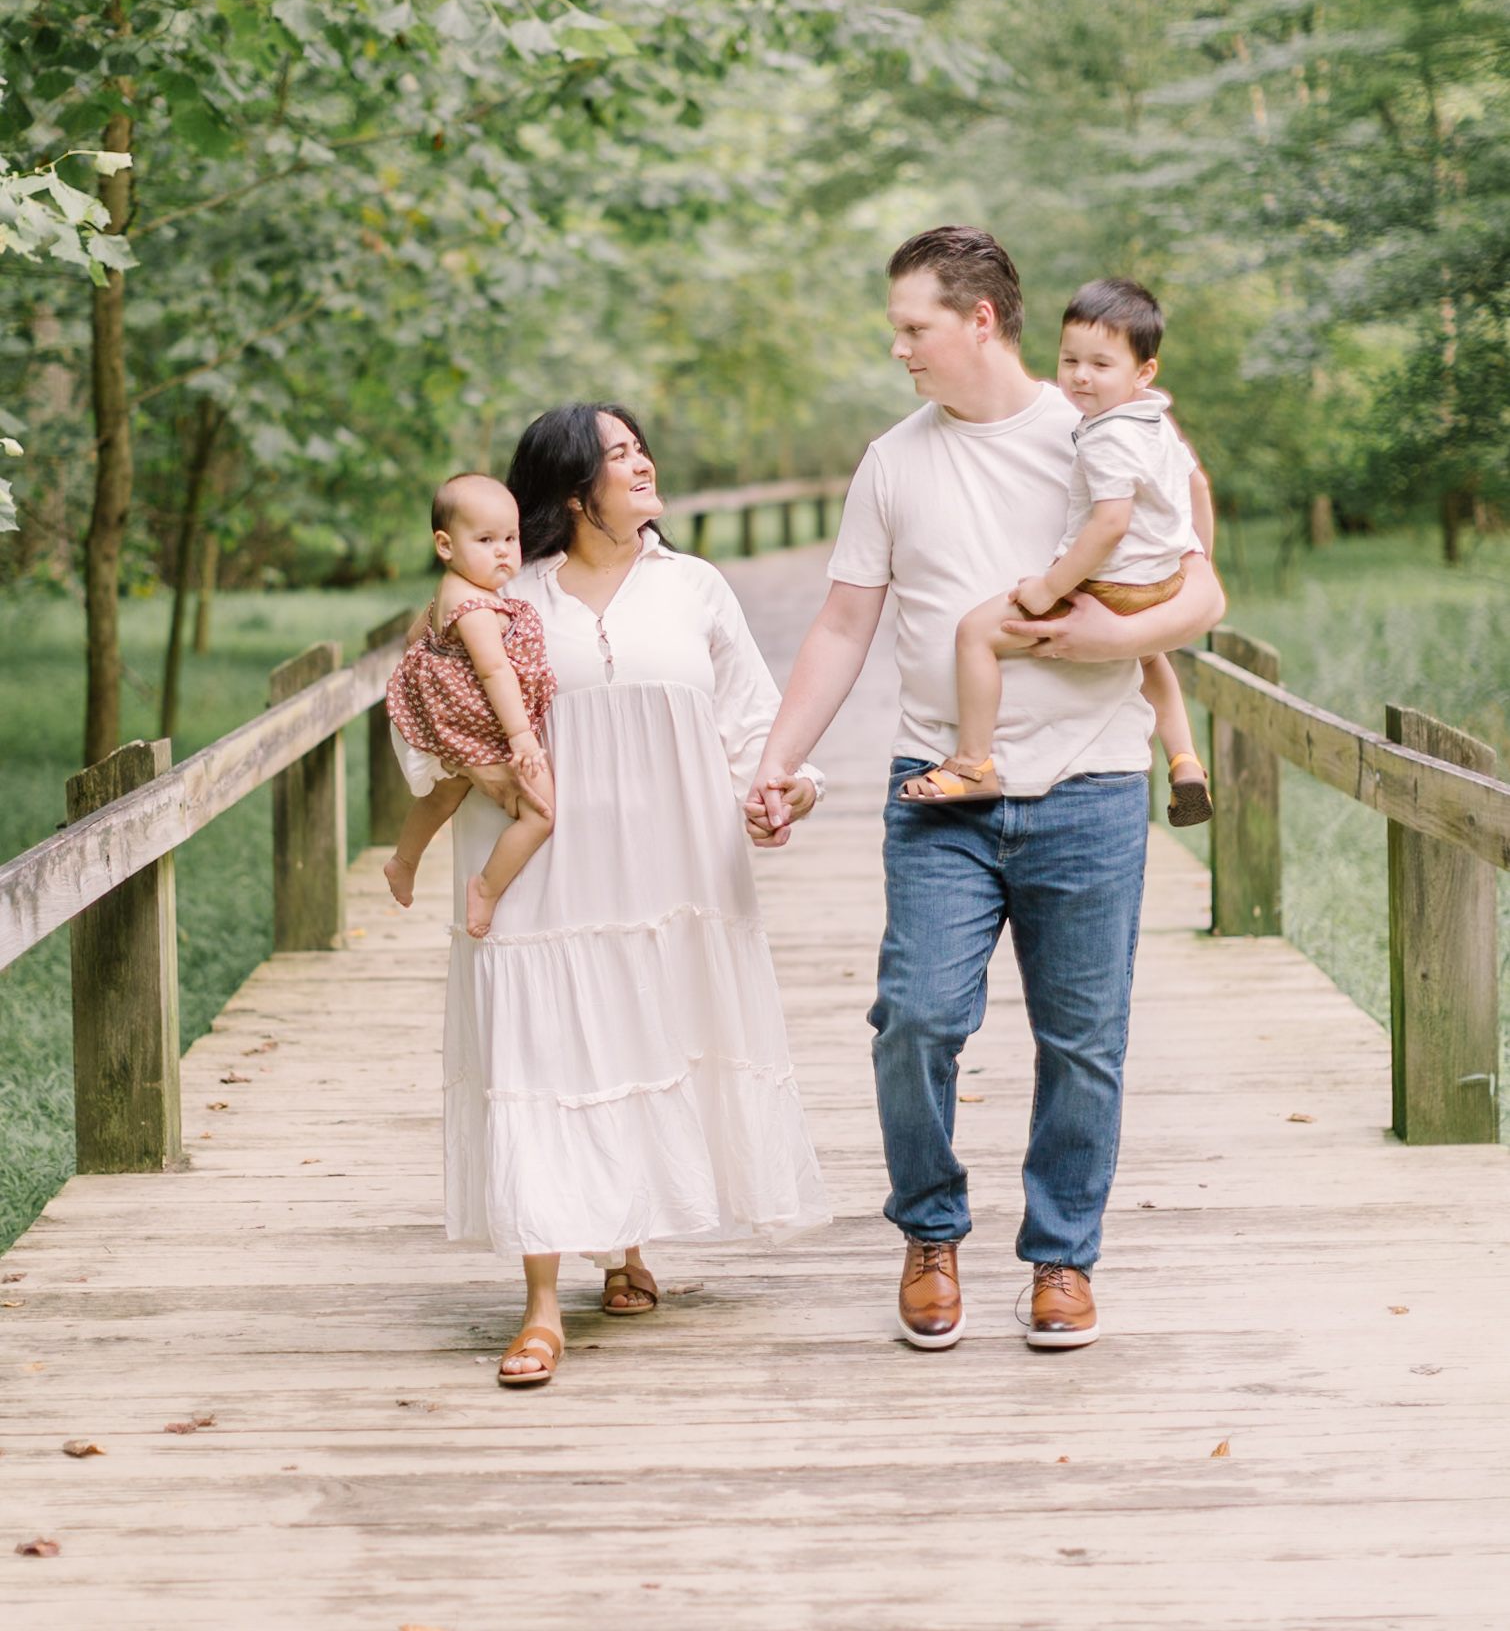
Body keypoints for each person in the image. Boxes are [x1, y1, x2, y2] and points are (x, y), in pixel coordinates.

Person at [745, 227, 1225, 1355]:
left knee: (1083, 1038)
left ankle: (1061, 1259)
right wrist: (777, 756)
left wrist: (1113, 633)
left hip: (1092, 785)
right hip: (939, 785)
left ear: (977, 320)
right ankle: (930, 1230)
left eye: (913, 325)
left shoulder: (1103, 425)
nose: (898, 347)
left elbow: (1202, 590)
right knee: (914, 1017)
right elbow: (844, 622)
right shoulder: (891, 460)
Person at [433, 404, 830, 1390]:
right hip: (543, 870)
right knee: (541, 1055)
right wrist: (479, 771)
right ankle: (536, 1305)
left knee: (647, 1040)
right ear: (571, 489)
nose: (643, 460)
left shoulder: (692, 585)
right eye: (617, 453)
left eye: (641, 443)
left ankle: (627, 1245)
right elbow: (426, 708)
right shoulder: (505, 593)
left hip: (671, 868)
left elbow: (749, 720)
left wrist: (783, 790)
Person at [905, 276, 1214, 827]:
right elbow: (1199, 489)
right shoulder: (1154, 419)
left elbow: (1110, 524)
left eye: (1100, 364)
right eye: (1070, 360)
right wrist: (1192, 565)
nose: (1079, 376)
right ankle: (1186, 760)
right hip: (1161, 580)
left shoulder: (1104, 435)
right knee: (1148, 657)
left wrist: (1049, 587)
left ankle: (973, 762)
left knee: (974, 633)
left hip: (1109, 585)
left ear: (1144, 371)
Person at [382, 474, 556, 940]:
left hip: (453, 726)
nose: (503, 551)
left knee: (443, 793)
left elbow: (414, 639)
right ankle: (487, 887)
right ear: (445, 544)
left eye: (510, 538)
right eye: (486, 540)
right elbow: (494, 672)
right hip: (486, 730)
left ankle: (403, 861)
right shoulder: (476, 607)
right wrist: (521, 737)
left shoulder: (448, 590)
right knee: (541, 812)